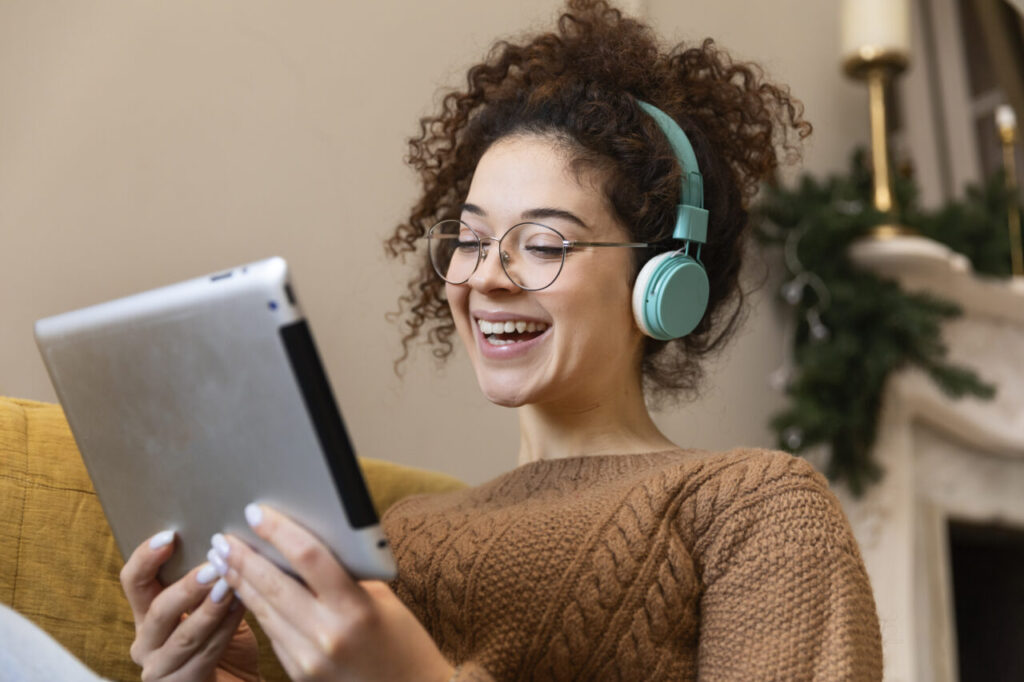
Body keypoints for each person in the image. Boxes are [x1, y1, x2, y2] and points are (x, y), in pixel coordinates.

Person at [119, 1, 883, 680]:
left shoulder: (752, 507)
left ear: (663, 283)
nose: (487, 277)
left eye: (545, 244)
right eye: (472, 240)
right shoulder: (399, 539)